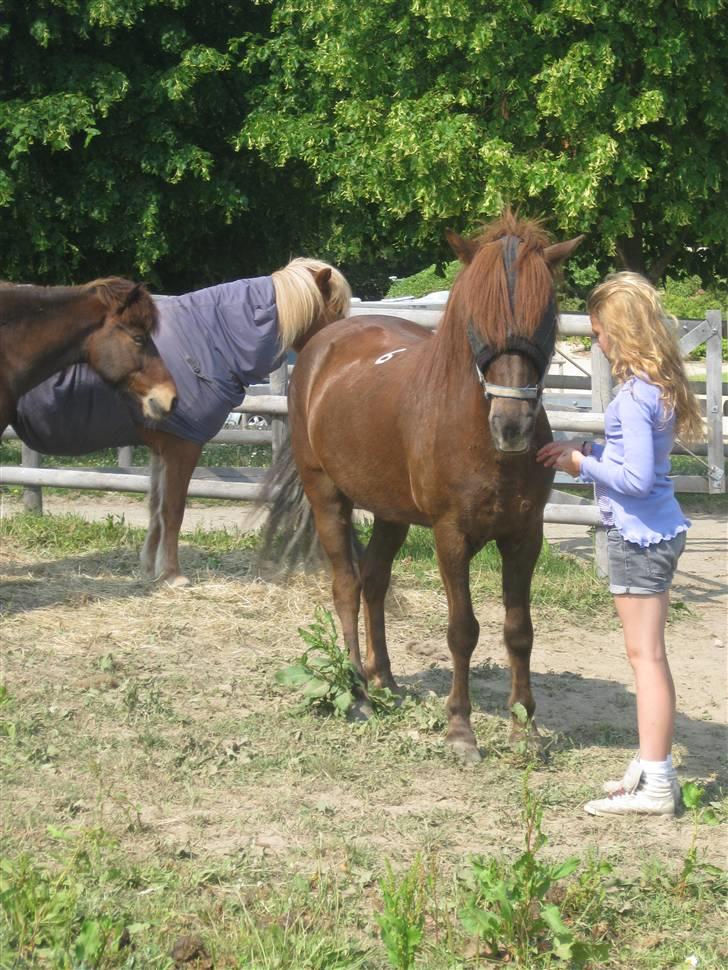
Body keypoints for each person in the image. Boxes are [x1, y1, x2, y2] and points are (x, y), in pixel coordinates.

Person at [536, 272, 704, 817]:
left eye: (600, 334)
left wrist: (580, 463)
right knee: (648, 657)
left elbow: (632, 479)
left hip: (638, 537)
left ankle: (657, 782)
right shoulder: (656, 388)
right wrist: (587, 445)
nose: (596, 345)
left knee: (646, 659)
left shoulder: (634, 395)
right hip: (658, 530)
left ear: (622, 333)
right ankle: (650, 761)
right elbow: (643, 460)